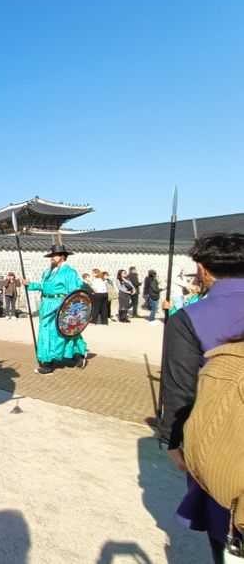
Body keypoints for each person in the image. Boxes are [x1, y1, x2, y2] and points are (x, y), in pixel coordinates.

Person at [160, 233, 244, 563]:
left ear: (203, 270)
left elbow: (180, 388)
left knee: (228, 529)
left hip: (224, 438)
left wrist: (173, 440)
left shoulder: (189, 318)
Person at [23, 244, 88, 375]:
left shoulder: (69, 271)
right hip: (46, 304)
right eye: (51, 255)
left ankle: (47, 363)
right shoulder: (48, 271)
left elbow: (74, 290)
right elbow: (43, 286)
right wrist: (30, 284)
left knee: (54, 333)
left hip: (60, 305)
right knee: (55, 332)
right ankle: (77, 356)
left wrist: (68, 308)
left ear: (62, 256)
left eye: (55, 255)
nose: (52, 258)